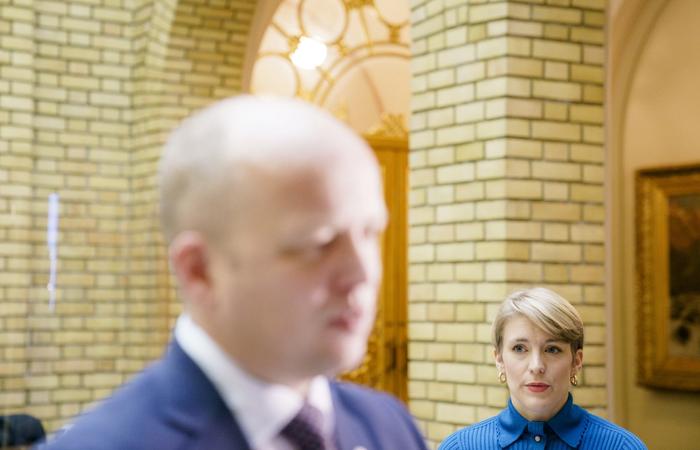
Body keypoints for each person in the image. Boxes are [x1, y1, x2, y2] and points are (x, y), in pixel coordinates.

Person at [39, 96, 428, 450]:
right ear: (200, 270)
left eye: (370, 233)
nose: (361, 273)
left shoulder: (389, 427)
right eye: (319, 242)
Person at [439, 287, 646, 450]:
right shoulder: (459, 447)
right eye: (520, 348)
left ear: (576, 362)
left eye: (552, 349)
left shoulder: (623, 447)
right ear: (499, 360)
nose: (537, 366)